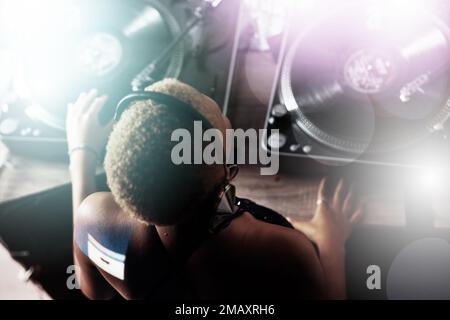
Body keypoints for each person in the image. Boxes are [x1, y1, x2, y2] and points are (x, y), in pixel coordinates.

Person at [66, 79, 364, 300]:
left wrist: (81, 153)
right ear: (225, 173)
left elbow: (93, 290)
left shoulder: (95, 219)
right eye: (223, 124)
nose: (228, 120)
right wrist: (331, 244)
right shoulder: (280, 252)